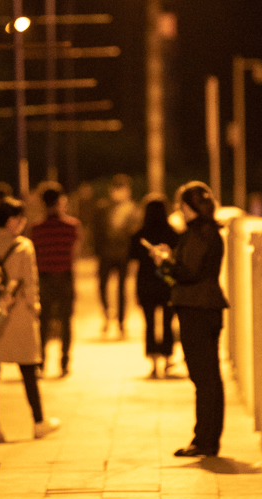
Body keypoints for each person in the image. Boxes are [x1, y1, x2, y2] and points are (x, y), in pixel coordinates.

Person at [148, 181, 229, 457]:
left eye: (180, 206)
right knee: (210, 376)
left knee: (203, 376)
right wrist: (170, 262)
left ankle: (204, 440)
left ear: (186, 207)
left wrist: (164, 262)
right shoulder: (210, 231)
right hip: (207, 306)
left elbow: (188, 271)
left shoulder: (198, 233)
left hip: (197, 308)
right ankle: (207, 438)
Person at [0, 196, 61, 440]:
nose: (23, 223)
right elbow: (31, 280)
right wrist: (35, 307)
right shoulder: (24, 246)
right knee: (28, 371)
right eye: (21, 218)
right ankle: (38, 421)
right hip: (19, 314)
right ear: (12, 221)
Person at [29, 182, 82, 378]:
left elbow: (34, 256)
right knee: (66, 321)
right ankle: (64, 362)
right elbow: (75, 254)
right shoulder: (72, 226)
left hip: (44, 279)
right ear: (60, 201)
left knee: (43, 322)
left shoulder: (36, 228)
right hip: (65, 277)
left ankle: (41, 362)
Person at [128, 194, 180, 378]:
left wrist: (134, 290)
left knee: (149, 324)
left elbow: (133, 264)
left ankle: (153, 364)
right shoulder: (173, 234)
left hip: (146, 283)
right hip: (167, 284)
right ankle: (166, 360)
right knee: (167, 323)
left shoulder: (138, 235)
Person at [93, 174, 139, 337]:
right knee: (102, 286)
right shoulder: (103, 207)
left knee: (122, 290)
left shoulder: (133, 209)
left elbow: (135, 234)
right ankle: (107, 315)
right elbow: (96, 231)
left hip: (123, 254)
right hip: (105, 253)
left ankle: (120, 321)